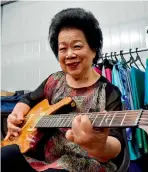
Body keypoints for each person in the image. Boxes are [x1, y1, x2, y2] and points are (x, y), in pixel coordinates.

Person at [1, 8, 125, 172]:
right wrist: (15, 115)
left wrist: (99, 146)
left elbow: (116, 142)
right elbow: (28, 99)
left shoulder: (108, 92)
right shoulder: (54, 80)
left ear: (94, 50)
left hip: (85, 164)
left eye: (77, 46)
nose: (69, 54)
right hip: (43, 160)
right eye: (62, 49)